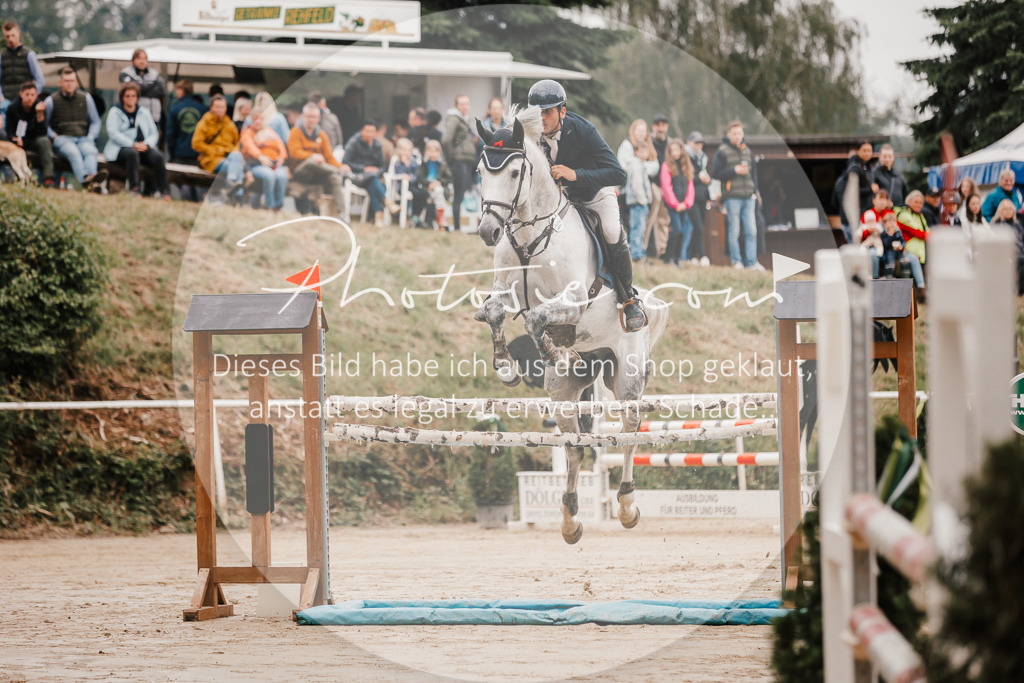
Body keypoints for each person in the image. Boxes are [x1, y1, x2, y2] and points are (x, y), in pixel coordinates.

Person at [527, 79, 643, 330]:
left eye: (547, 112)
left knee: (612, 230)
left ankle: (630, 300)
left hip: (595, 194)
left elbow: (618, 174)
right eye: (536, 113)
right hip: (563, 200)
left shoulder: (584, 131)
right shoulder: (531, 135)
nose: (541, 118)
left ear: (563, 111)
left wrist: (576, 175)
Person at [711, 120, 763, 270]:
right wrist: (734, 170)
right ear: (729, 134)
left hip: (748, 197)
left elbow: (754, 174)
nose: (737, 136)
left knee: (751, 231)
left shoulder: (748, 151)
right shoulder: (722, 151)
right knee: (734, 231)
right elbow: (715, 174)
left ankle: (752, 263)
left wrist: (755, 192)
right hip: (732, 197)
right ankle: (737, 261)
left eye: (740, 133)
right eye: (734, 133)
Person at [45, 67, 106, 190]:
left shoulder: (86, 98)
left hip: (83, 138)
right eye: (66, 81)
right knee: (74, 153)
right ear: (60, 83)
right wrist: (54, 136)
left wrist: (90, 137)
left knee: (91, 151)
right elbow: (44, 124)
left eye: (72, 80)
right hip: (63, 139)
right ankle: (87, 182)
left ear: (76, 82)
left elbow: (95, 121)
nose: (69, 84)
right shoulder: (51, 101)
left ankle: (91, 180)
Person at [104, 82, 169, 198]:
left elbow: (153, 133)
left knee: (158, 157)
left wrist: (147, 145)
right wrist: (132, 144)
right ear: (122, 97)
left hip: (143, 146)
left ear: (137, 97)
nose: (130, 99)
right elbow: (113, 133)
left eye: (133, 96)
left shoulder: (144, 112)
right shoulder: (115, 112)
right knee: (132, 154)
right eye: (127, 96)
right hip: (121, 148)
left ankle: (164, 190)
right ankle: (135, 188)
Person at [287, 102, 347, 219]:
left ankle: (342, 214)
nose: (311, 119)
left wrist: (339, 166)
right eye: (309, 116)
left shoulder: (321, 134)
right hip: (300, 172)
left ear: (318, 118)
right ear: (303, 116)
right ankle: (335, 171)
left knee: (333, 177)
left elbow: (329, 157)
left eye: (314, 117)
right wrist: (311, 156)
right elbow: (294, 153)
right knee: (312, 162)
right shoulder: (295, 132)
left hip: (318, 171)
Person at [617, 119, 659, 261]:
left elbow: (656, 166)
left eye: (644, 130)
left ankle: (639, 252)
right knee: (634, 227)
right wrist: (642, 200)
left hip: (642, 200)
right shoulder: (627, 147)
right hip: (634, 198)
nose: (641, 133)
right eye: (639, 130)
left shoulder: (645, 151)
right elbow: (627, 168)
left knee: (640, 228)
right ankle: (635, 254)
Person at [191, 94, 244, 199]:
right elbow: (196, 144)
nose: (220, 110)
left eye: (222, 107)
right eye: (217, 107)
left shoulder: (229, 124)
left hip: (228, 157)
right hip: (211, 159)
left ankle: (231, 182)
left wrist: (229, 151)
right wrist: (213, 150)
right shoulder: (204, 123)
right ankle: (237, 196)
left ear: (226, 108)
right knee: (236, 167)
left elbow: (237, 144)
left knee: (237, 156)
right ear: (211, 108)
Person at [344, 120, 396, 227]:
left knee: (372, 182)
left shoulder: (377, 145)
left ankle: (378, 217)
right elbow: (345, 162)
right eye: (367, 131)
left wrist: (376, 171)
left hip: (371, 178)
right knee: (373, 180)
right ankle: (386, 201)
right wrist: (364, 168)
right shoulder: (353, 143)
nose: (370, 134)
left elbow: (383, 166)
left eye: (373, 131)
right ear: (361, 131)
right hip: (356, 176)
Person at [240, 104, 289, 211]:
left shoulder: (270, 131)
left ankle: (278, 206)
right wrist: (260, 157)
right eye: (256, 119)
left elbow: (280, 144)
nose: (258, 121)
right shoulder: (247, 133)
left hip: (275, 163)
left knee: (282, 176)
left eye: (261, 119)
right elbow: (249, 146)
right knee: (269, 175)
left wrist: (282, 157)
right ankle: (269, 205)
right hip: (256, 165)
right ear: (252, 120)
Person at [4, 81, 54, 186]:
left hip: (32, 140)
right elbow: (9, 130)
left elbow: (42, 132)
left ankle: (48, 177)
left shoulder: (39, 107)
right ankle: (12, 178)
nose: (30, 98)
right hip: (16, 143)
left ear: (36, 95)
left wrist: (39, 115)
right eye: (27, 95)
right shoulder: (12, 108)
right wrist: (14, 139)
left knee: (44, 141)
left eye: (32, 95)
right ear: (21, 94)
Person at [441, 94, 479, 233]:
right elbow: (446, 140)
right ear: (457, 105)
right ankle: (457, 228)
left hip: (466, 160)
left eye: (467, 103)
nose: (465, 106)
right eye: (462, 104)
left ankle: (459, 227)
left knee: (462, 195)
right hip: (459, 161)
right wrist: (451, 158)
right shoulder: (454, 119)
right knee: (458, 195)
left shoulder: (464, 119)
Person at [660, 138, 696, 266]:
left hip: (684, 205)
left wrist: (686, 203)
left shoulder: (686, 166)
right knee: (677, 230)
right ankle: (668, 258)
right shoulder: (666, 166)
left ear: (682, 150)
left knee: (683, 232)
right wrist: (675, 204)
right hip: (673, 205)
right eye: (672, 150)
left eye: (677, 150)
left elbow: (690, 186)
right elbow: (666, 187)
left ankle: (677, 258)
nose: (674, 153)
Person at [833, 140, 875, 243]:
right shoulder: (854, 167)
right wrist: (871, 190)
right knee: (857, 250)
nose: (867, 153)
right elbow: (852, 191)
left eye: (869, 150)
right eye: (864, 150)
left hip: (859, 217)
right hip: (852, 219)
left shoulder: (866, 166)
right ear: (858, 151)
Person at [0, 21, 45, 115]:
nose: (10, 39)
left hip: (24, 102)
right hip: (6, 102)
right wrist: (1, 98)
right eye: (7, 36)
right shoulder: (1, 56)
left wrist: (31, 97)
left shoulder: (29, 54)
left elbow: (39, 80)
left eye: (13, 35)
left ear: (18, 33)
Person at [644, 113, 671, 259]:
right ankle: (643, 249)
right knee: (650, 218)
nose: (661, 128)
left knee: (663, 220)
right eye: (658, 125)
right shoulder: (649, 142)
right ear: (653, 127)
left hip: (666, 186)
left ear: (666, 127)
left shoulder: (670, 143)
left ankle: (662, 251)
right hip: (653, 184)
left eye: (663, 125)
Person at [685, 131, 712, 266]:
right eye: (696, 142)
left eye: (700, 143)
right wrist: (699, 178)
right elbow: (686, 179)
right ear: (689, 142)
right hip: (691, 197)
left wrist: (708, 191)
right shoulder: (685, 157)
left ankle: (691, 256)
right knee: (698, 227)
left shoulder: (703, 158)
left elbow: (704, 178)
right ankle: (702, 256)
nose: (698, 145)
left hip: (702, 196)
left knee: (698, 228)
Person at [879, 212, 925, 291]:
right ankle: (889, 278)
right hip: (890, 252)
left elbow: (903, 241)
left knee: (905, 260)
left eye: (893, 222)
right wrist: (890, 236)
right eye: (889, 222)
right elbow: (885, 244)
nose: (892, 224)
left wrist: (902, 246)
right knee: (890, 263)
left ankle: (905, 276)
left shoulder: (897, 232)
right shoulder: (885, 233)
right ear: (885, 224)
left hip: (899, 252)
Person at [118, 49, 165, 124]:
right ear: (132, 60)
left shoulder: (154, 73)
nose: (142, 61)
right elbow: (133, 90)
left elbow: (161, 91)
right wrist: (152, 85)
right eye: (139, 58)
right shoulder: (126, 72)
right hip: (136, 117)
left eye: (144, 59)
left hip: (154, 117)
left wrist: (142, 89)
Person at [390, 137, 428, 227]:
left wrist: (409, 174)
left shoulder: (414, 161)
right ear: (398, 150)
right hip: (401, 187)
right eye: (404, 150)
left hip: (414, 185)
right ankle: (409, 218)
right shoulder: (397, 162)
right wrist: (405, 165)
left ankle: (415, 217)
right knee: (416, 194)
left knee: (424, 194)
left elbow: (416, 175)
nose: (406, 153)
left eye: (409, 150)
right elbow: (399, 173)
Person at [415, 138, 453, 230]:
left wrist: (438, 182)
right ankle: (441, 219)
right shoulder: (423, 165)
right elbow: (419, 178)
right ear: (425, 152)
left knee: (438, 190)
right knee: (437, 192)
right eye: (429, 150)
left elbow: (449, 178)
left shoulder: (442, 166)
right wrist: (429, 184)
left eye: (435, 151)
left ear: (439, 153)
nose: (432, 153)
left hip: (440, 190)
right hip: (426, 190)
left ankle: (439, 220)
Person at [859, 189, 893, 278]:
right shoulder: (867, 214)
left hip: (888, 244)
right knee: (873, 254)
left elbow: (897, 231)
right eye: (880, 199)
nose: (882, 202)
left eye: (884, 199)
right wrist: (868, 231)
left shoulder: (890, 214)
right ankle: (875, 279)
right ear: (874, 200)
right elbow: (860, 234)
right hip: (872, 244)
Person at [894, 190, 930, 266]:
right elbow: (918, 232)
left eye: (920, 203)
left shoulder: (919, 215)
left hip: (921, 253)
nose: (918, 205)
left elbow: (927, 230)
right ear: (908, 201)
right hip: (909, 253)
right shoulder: (903, 214)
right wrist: (931, 236)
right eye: (916, 202)